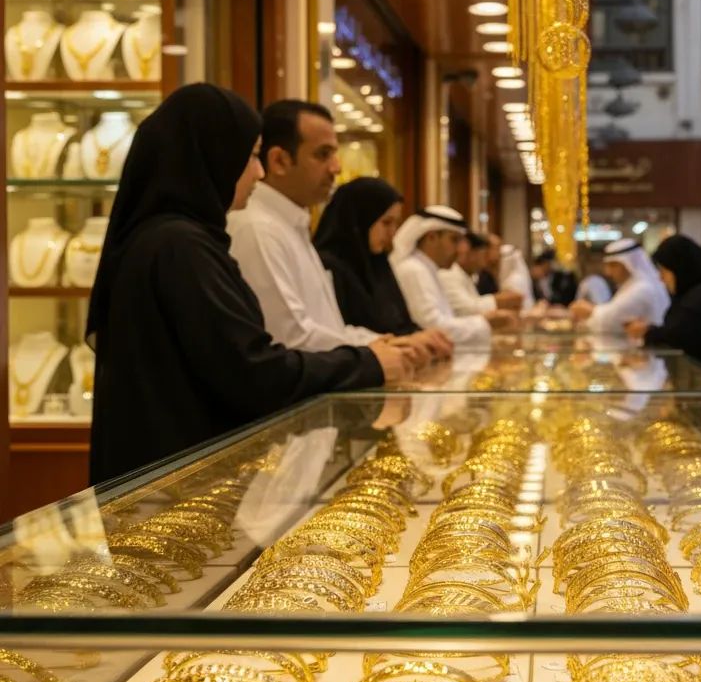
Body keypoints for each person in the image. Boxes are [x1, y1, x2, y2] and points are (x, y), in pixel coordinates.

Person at [86, 84, 410, 484]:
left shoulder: (176, 239)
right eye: (252, 155)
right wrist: (368, 363)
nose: (258, 172)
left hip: (171, 480)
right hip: (172, 489)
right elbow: (254, 372)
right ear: (212, 155)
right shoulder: (179, 246)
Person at [228, 100, 408, 355]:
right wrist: (373, 354)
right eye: (323, 154)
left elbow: (327, 328)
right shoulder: (257, 228)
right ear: (279, 160)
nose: (337, 167)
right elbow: (289, 338)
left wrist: (383, 343)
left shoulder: (291, 225)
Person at [313, 177, 451, 358]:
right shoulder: (327, 266)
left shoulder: (378, 264)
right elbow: (333, 334)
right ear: (360, 219)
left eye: (396, 223)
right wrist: (397, 342)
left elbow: (399, 323)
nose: (392, 232)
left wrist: (421, 336)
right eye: (386, 222)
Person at [624, 234, 701, 384]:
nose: (661, 278)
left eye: (664, 271)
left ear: (679, 269)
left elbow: (678, 337)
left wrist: (647, 332)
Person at [391, 207, 514, 345]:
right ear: (431, 237)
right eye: (454, 240)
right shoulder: (413, 269)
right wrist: (485, 323)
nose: (461, 250)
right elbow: (432, 328)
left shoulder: (428, 269)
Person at [570, 238, 670, 335]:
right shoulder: (631, 285)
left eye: (613, 265)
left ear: (629, 264)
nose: (608, 272)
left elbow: (612, 321)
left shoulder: (643, 288)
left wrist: (590, 310)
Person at [440, 232, 523, 317]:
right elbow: (465, 309)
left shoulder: (468, 275)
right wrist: (498, 300)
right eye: (484, 255)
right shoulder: (449, 273)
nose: (485, 262)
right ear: (471, 253)